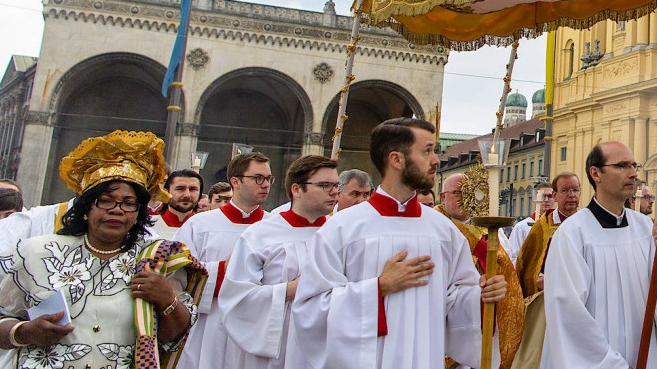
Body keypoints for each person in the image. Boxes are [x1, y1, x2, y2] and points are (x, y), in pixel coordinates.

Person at [292, 117, 505, 369]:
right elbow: (310, 310)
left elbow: (453, 301)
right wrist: (379, 288)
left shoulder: (443, 230)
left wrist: (479, 297)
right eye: (427, 151)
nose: (436, 160)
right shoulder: (342, 229)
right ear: (396, 159)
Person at [0, 131, 205, 369]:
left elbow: (174, 337)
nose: (117, 210)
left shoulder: (155, 260)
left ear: (139, 212)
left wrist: (167, 299)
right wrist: (24, 332)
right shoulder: (37, 253)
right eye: (106, 200)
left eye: (129, 203)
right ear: (86, 206)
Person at [540, 141, 657, 368]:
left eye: (634, 165)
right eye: (622, 166)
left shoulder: (644, 228)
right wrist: (613, 364)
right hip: (597, 360)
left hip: (646, 354)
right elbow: (568, 314)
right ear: (596, 173)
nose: (633, 174)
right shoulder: (573, 234)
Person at [220, 155, 339, 369]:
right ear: (296, 189)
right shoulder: (260, 235)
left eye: (336, 185)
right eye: (324, 185)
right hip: (273, 348)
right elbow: (237, 298)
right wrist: (291, 289)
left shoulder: (340, 234)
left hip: (325, 345)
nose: (334, 192)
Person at [175, 152, 273, 369]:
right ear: (235, 182)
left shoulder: (276, 226)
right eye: (258, 178)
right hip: (210, 326)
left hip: (258, 327)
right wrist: (224, 270)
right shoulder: (199, 226)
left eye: (268, 178)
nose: (265, 184)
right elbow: (179, 274)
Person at [435, 173, 525, 369]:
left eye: (469, 192)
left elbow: (507, 264)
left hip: (486, 311)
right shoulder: (435, 226)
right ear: (443, 197)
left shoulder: (490, 229)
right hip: (448, 311)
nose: (465, 198)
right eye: (458, 193)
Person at [514, 172, 581, 366]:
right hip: (549, 303)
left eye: (575, 190)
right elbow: (527, 266)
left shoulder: (587, 223)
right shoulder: (543, 226)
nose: (571, 195)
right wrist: (539, 278)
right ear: (555, 195)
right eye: (565, 190)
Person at [508, 181, 554, 261]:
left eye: (550, 196)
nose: (546, 200)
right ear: (535, 198)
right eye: (543, 196)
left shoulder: (559, 225)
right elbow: (513, 256)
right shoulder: (522, 227)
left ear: (555, 198)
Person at [152, 169, 204, 238]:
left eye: (193, 189)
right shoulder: (148, 226)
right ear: (167, 192)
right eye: (180, 189)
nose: (187, 195)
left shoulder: (206, 229)